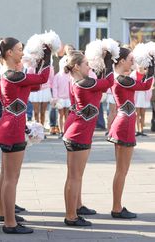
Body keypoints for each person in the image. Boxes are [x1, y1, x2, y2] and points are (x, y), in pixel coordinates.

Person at [0, 37, 51, 234]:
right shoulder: (12, 74)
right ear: (9, 52)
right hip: (13, 127)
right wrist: (47, 54)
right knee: (12, 177)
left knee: (5, 175)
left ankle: (4, 212)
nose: (22, 52)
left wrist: (39, 61)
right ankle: (9, 223)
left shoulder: (8, 73)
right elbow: (43, 78)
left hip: (9, 125)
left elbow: (35, 85)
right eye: (19, 49)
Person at [63, 50, 114, 226]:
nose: (89, 66)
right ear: (76, 66)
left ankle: (76, 207)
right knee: (74, 177)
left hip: (79, 132)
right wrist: (108, 61)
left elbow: (102, 84)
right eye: (86, 64)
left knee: (75, 175)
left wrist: (102, 65)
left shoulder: (83, 81)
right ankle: (71, 216)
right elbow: (109, 82)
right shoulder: (84, 82)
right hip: (79, 134)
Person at [107, 47, 154, 219]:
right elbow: (146, 85)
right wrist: (152, 65)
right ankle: (117, 208)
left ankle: (117, 206)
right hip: (125, 125)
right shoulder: (121, 79)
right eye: (130, 59)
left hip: (123, 122)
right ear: (120, 61)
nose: (132, 62)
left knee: (121, 170)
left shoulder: (121, 78)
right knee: (122, 170)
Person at [130, 65, 152, 136]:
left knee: (143, 114)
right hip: (136, 96)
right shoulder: (133, 74)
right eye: (139, 65)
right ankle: (137, 130)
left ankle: (142, 130)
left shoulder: (147, 74)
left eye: (141, 65)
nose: (140, 66)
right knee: (137, 114)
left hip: (144, 95)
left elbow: (151, 83)